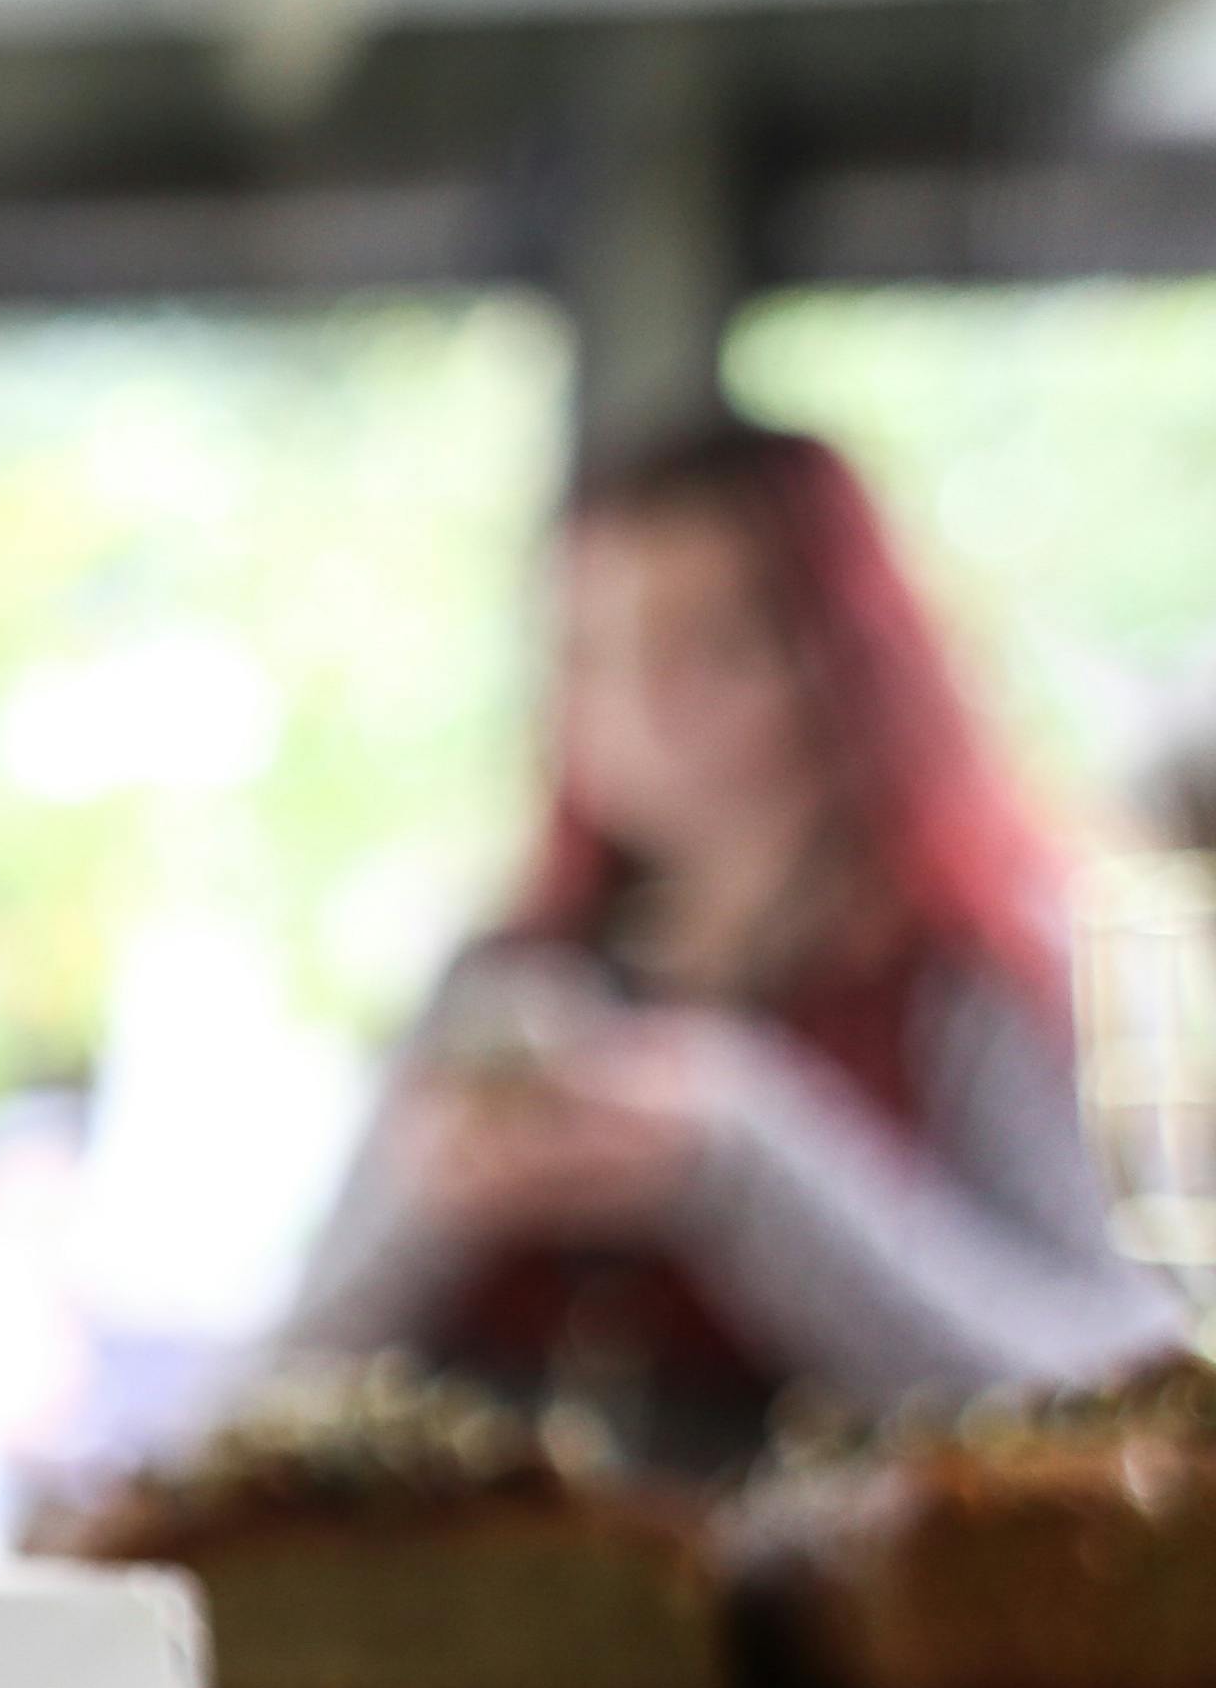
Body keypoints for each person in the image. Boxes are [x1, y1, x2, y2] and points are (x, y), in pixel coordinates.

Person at [274, 415, 1184, 1472]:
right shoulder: (502, 979)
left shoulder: (980, 977)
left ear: (843, 660)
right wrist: (431, 1198)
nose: (648, 705)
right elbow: (265, 1400)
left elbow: (1117, 1392)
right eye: (596, 653)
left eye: (711, 648)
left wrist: (741, 1155)